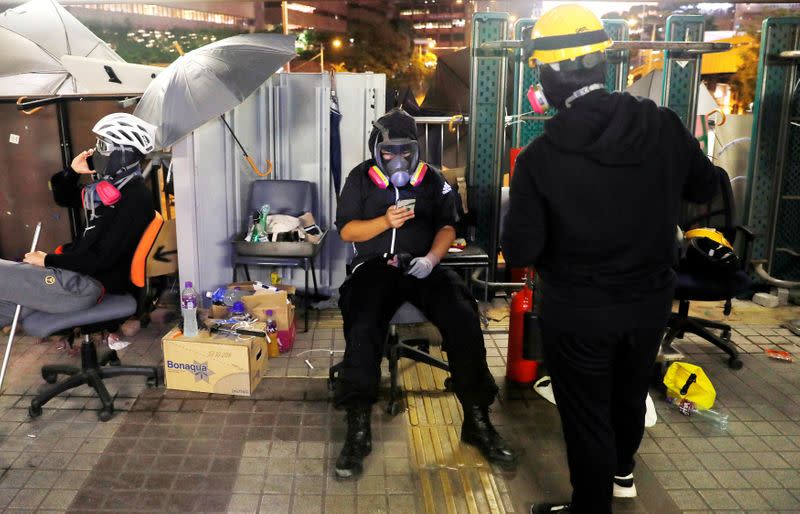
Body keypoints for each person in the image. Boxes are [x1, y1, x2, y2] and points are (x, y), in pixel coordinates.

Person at [501, 5, 719, 514]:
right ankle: (623, 473)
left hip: (578, 311)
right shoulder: (661, 125)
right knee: (628, 392)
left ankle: (591, 506)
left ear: (551, 74)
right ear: (600, 62)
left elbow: (522, 251)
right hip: (648, 301)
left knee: (586, 413)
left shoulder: (540, 159)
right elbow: (706, 186)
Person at [334, 108, 517, 479]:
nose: (397, 160)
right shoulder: (360, 179)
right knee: (362, 321)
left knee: (463, 314)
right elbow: (347, 232)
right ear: (376, 149)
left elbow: (449, 226)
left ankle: (477, 418)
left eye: (405, 151)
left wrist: (433, 259)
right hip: (375, 268)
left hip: (422, 267)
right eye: (389, 153)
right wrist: (384, 222)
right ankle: (358, 426)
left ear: (415, 149)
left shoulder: (433, 180)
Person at [0, 113, 157, 331]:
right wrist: (72, 172)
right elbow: (65, 197)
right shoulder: (111, 190)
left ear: (123, 154)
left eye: (103, 145)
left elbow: (100, 260)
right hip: (75, 276)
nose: (96, 150)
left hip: (88, 287)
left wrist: (47, 261)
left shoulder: (135, 199)